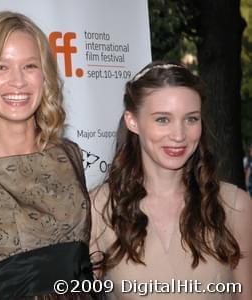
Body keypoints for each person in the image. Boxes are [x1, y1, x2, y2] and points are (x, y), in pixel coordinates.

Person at [0, 11, 99, 300]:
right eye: (1, 67)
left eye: (29, 66)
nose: (18, 82)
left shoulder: (68, 154)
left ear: (45, 75)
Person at [90, 61, 252, 300]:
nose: (179, 135)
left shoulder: (235, 205)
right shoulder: (99, 208)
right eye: (163, 119)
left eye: (191, 119)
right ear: (132, 121)